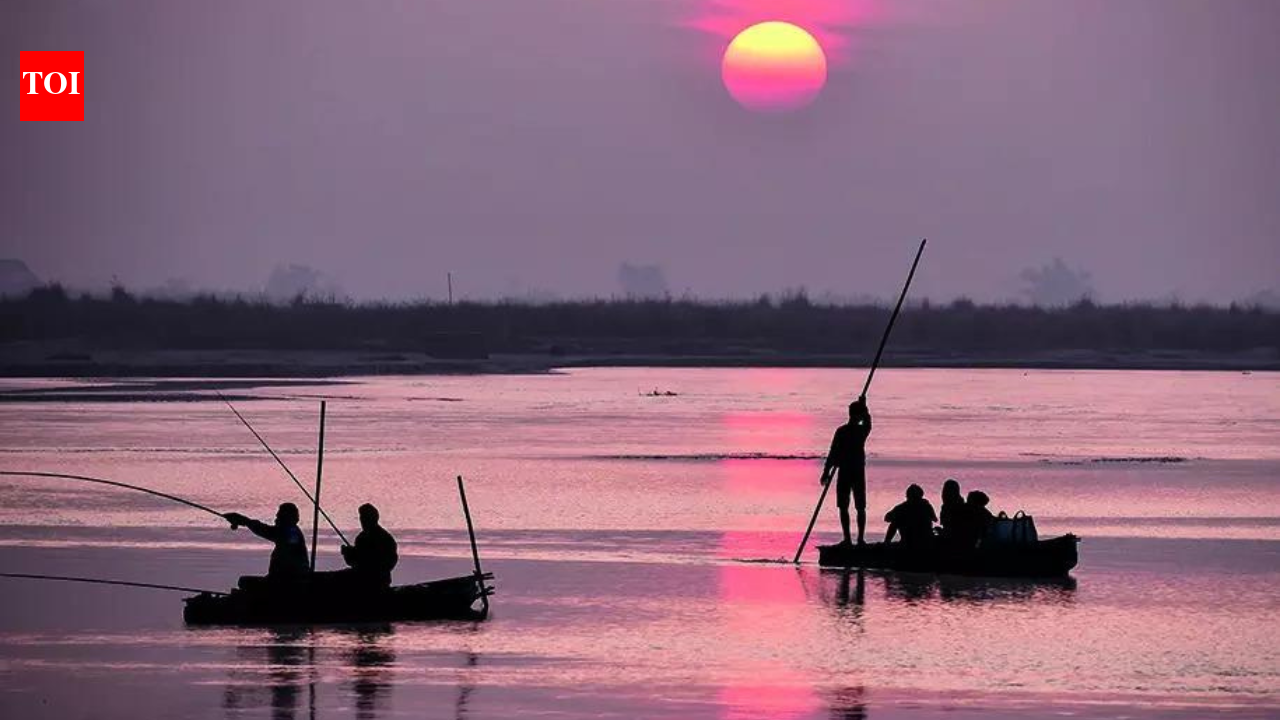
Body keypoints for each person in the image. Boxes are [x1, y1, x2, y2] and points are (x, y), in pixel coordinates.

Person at [822, 398, 873, 545]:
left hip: (854, 471)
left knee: (860, 506)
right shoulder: (848, 431)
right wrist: (826, 471)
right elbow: (833, 452)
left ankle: (859, 539)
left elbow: (867, 421)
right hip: (847, 471)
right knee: (844, 506)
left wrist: (864, 407)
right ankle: (848, 539)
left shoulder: (857, 431)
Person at [223, 503, 309, 580]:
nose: (276, 516)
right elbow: (268, 530)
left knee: (244, 581)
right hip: (285, 578)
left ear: (285, 516)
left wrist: (244, 520)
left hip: (286, 580)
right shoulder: (292, 531)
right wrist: (245, 521)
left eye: (279, 514)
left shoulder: (290, 532)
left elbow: (266, 531)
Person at [340, 503, 399, 587]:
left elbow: (388, 562)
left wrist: (351, 554)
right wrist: (347, 553)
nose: (362, 520)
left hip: (377, 581)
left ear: (373, 518)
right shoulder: (361, 538)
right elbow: (353, 562)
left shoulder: (384, 538)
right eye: (361, 517)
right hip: (363, 579)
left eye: (364, 517)